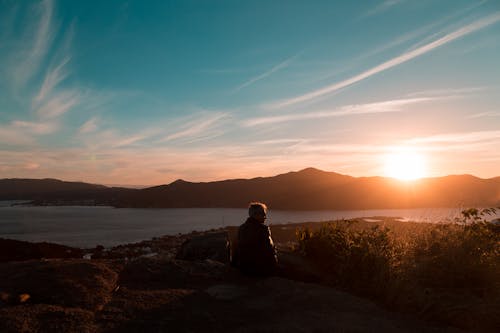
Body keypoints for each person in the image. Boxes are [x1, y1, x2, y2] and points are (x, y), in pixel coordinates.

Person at [233, 202, 278, 276]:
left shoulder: (241, 228)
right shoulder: (263, 229)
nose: (265, 217)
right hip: (259, 270)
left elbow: (237, 248)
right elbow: (270, 251)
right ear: (255, 215)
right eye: (263, 214)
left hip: (243, 269)